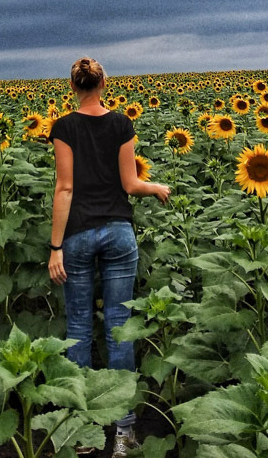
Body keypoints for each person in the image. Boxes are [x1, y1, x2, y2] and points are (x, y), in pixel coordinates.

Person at [48, 57, 171, 457]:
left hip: (79, 233)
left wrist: (55, 247)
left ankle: (81, 434)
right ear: (104, 84)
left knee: (79, 327)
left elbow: (64, 188)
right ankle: (125, 435)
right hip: (119, 232)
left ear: (73, 87)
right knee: (120, 325)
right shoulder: (121, 123)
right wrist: (154, 187)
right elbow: (129, 183)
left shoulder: (64, 127)